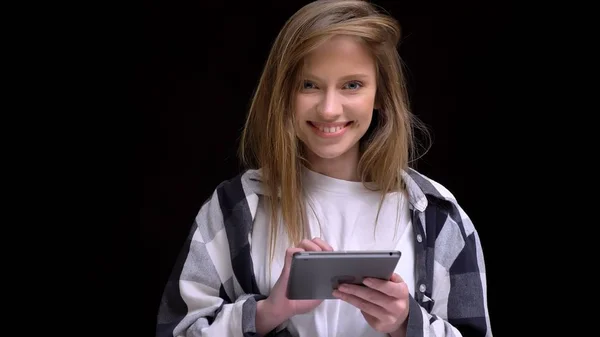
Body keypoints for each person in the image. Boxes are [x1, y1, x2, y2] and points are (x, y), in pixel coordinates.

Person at [155, 0, 492, 336]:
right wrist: (267, 312)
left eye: (352, 85)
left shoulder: (438, 215)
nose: (329, 109)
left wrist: (407, 323)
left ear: (380, 94)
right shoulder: (233, 208)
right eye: (309, 85)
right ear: (284, 92)